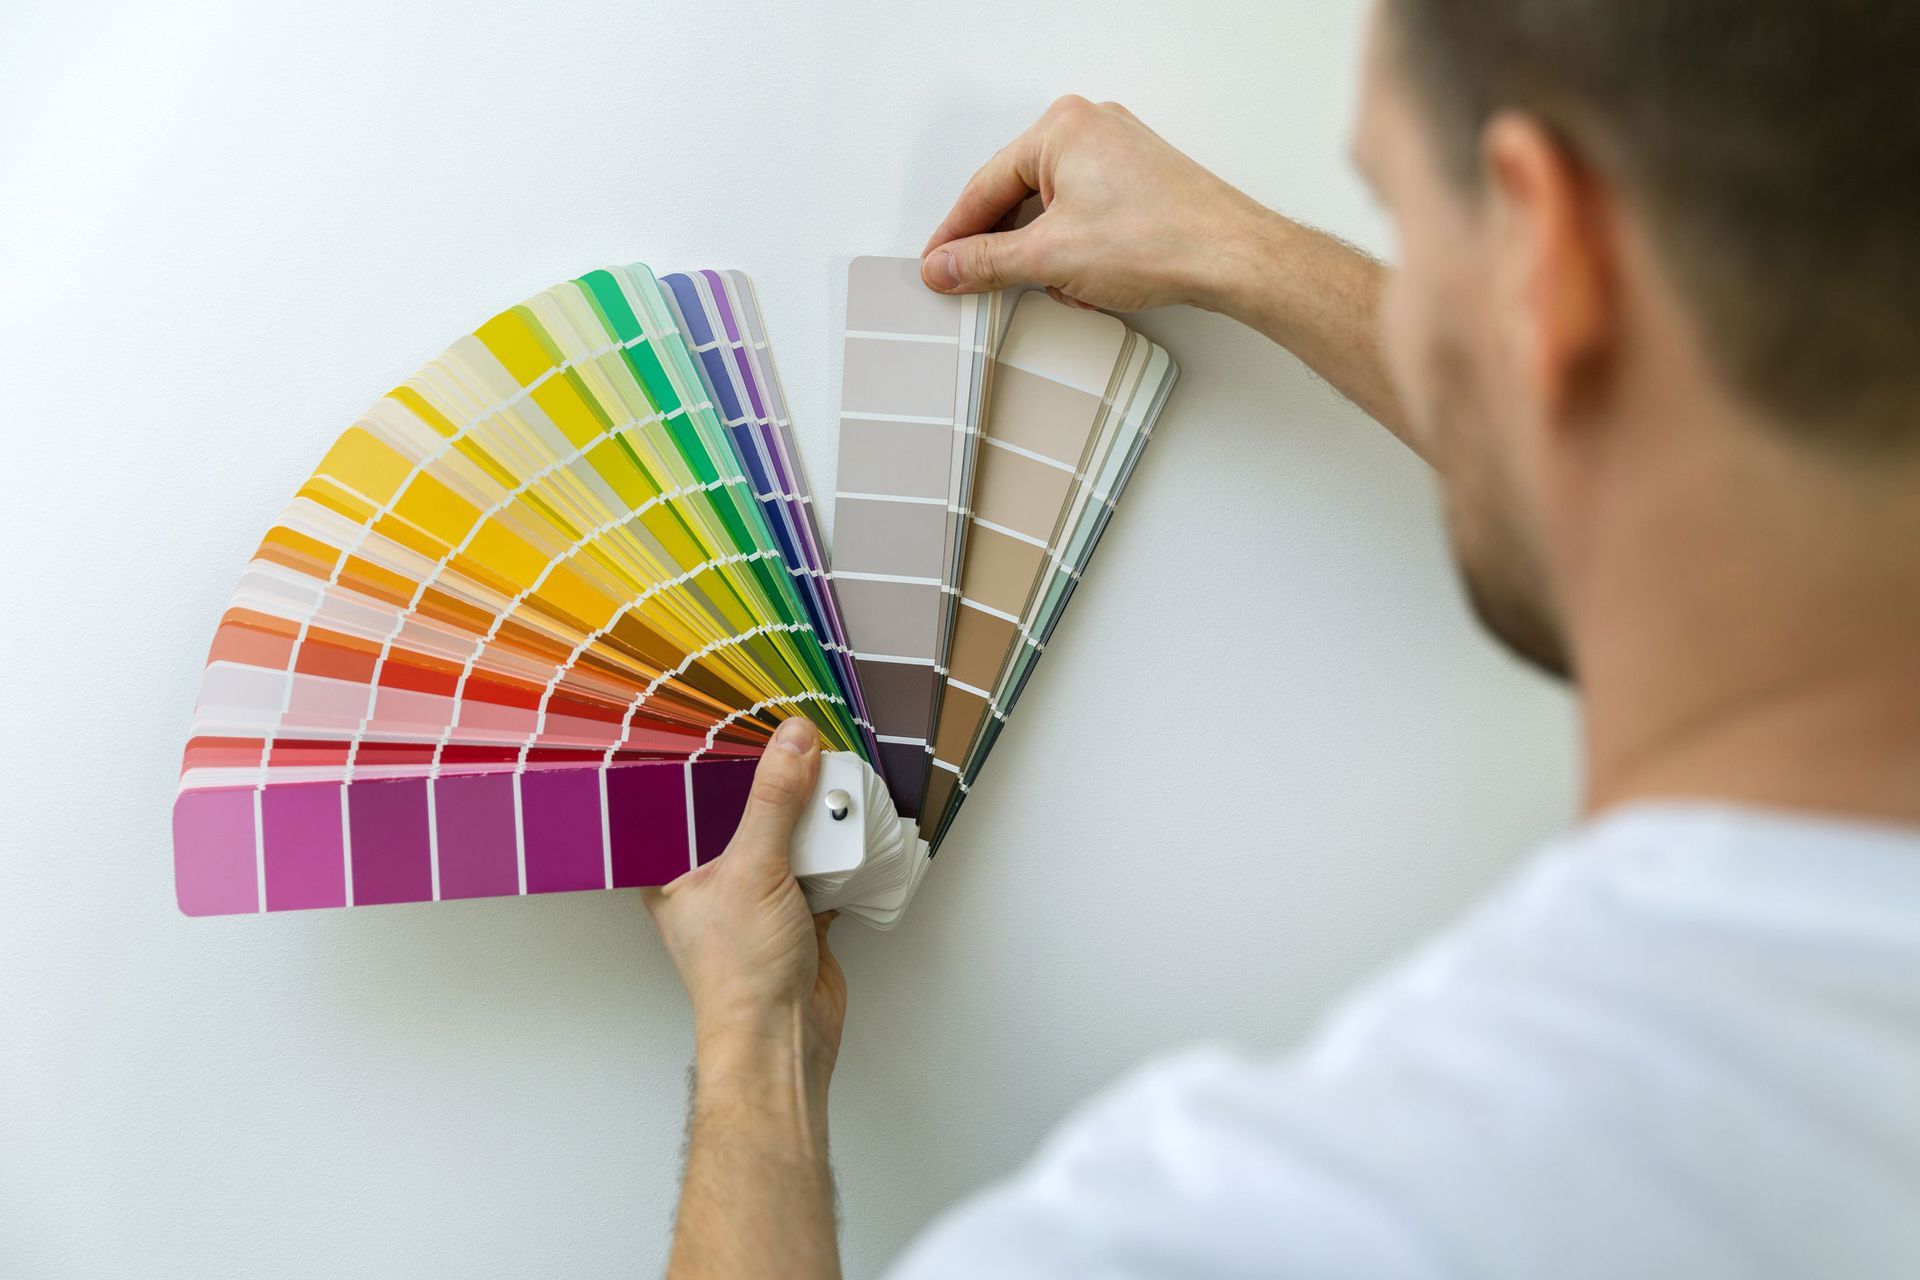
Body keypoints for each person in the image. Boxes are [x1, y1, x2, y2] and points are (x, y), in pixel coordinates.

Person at [641, 1, 1920, 1275]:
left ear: (1549, 260)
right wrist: (1235, 248)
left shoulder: (1298, 1220)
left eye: (1402, 220)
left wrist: (757, 1044)